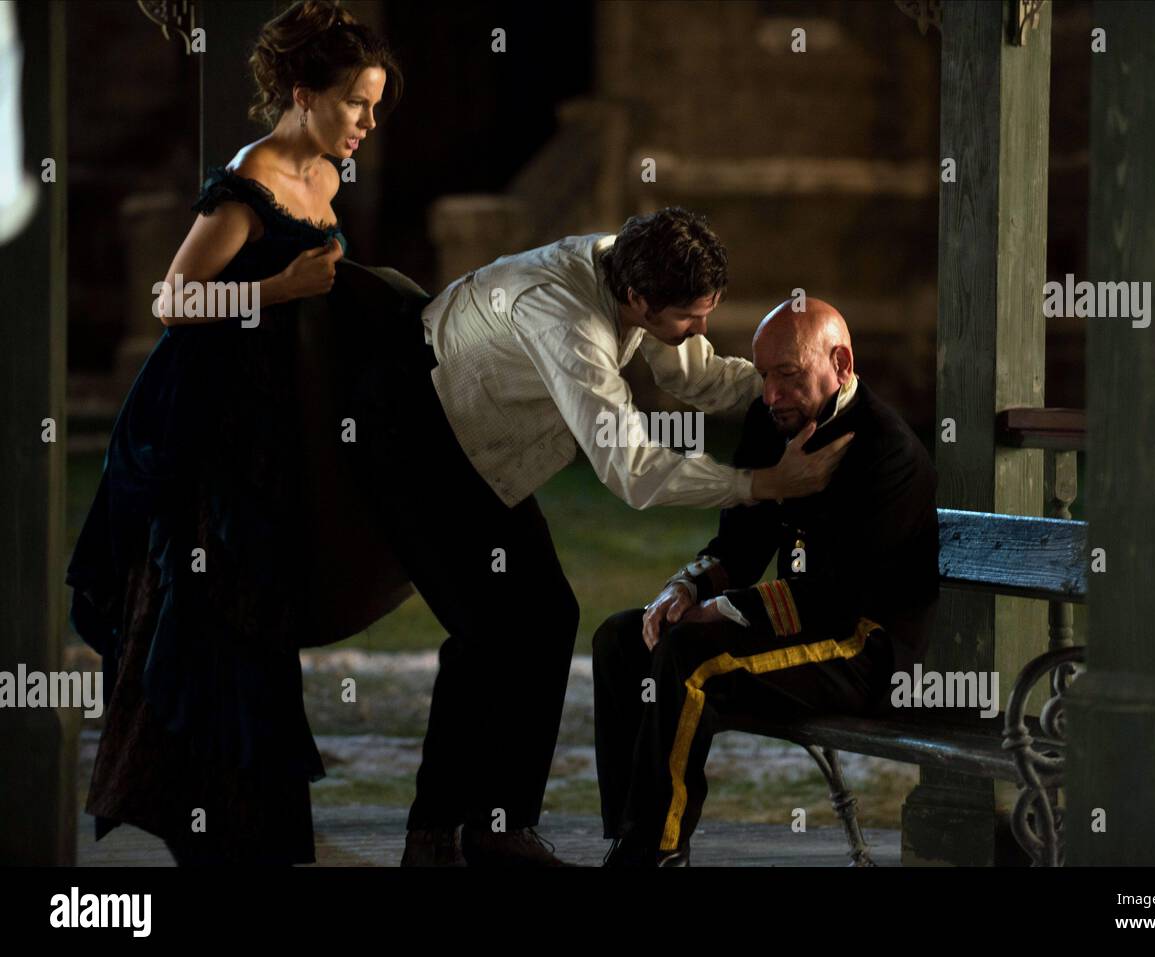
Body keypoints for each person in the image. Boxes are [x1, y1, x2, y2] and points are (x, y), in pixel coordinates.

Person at [346, 209, 855, 866]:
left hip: (481, 443)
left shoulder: (633, 267)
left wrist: (791, 385)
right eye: (690, 316)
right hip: (413, 433)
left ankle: (499, 827)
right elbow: (630, 469)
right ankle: (436, 835)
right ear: (639, 299)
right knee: (488, 629)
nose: (702, 328)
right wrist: (762, 484)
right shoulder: (568, 319)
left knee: (548, 613)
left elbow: (692, 376)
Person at [66, 0, 403, 865]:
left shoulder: (327, 175)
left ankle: (254, 827)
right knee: (204, 617)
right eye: (355, 103)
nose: (368, 122)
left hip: (270, 430)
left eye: (374, 105)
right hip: (203, 432)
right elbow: (172, 301)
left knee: (258, 620)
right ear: (302, 94)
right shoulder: (249, 183)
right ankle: (197, 822)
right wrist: (275, 293)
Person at [592, 297, 940, 866]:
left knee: (689, 657)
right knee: (622, 641)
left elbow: (836, 599)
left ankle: (654, 853)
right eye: (763, 375)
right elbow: (739, 545)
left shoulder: (887, 451)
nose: (772, 393)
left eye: (789, 375)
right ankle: (630, 835)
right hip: (798, 631)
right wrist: (686, 589)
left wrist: (724, 612)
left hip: (863, 649)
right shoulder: (769, 419)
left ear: (842, 363)